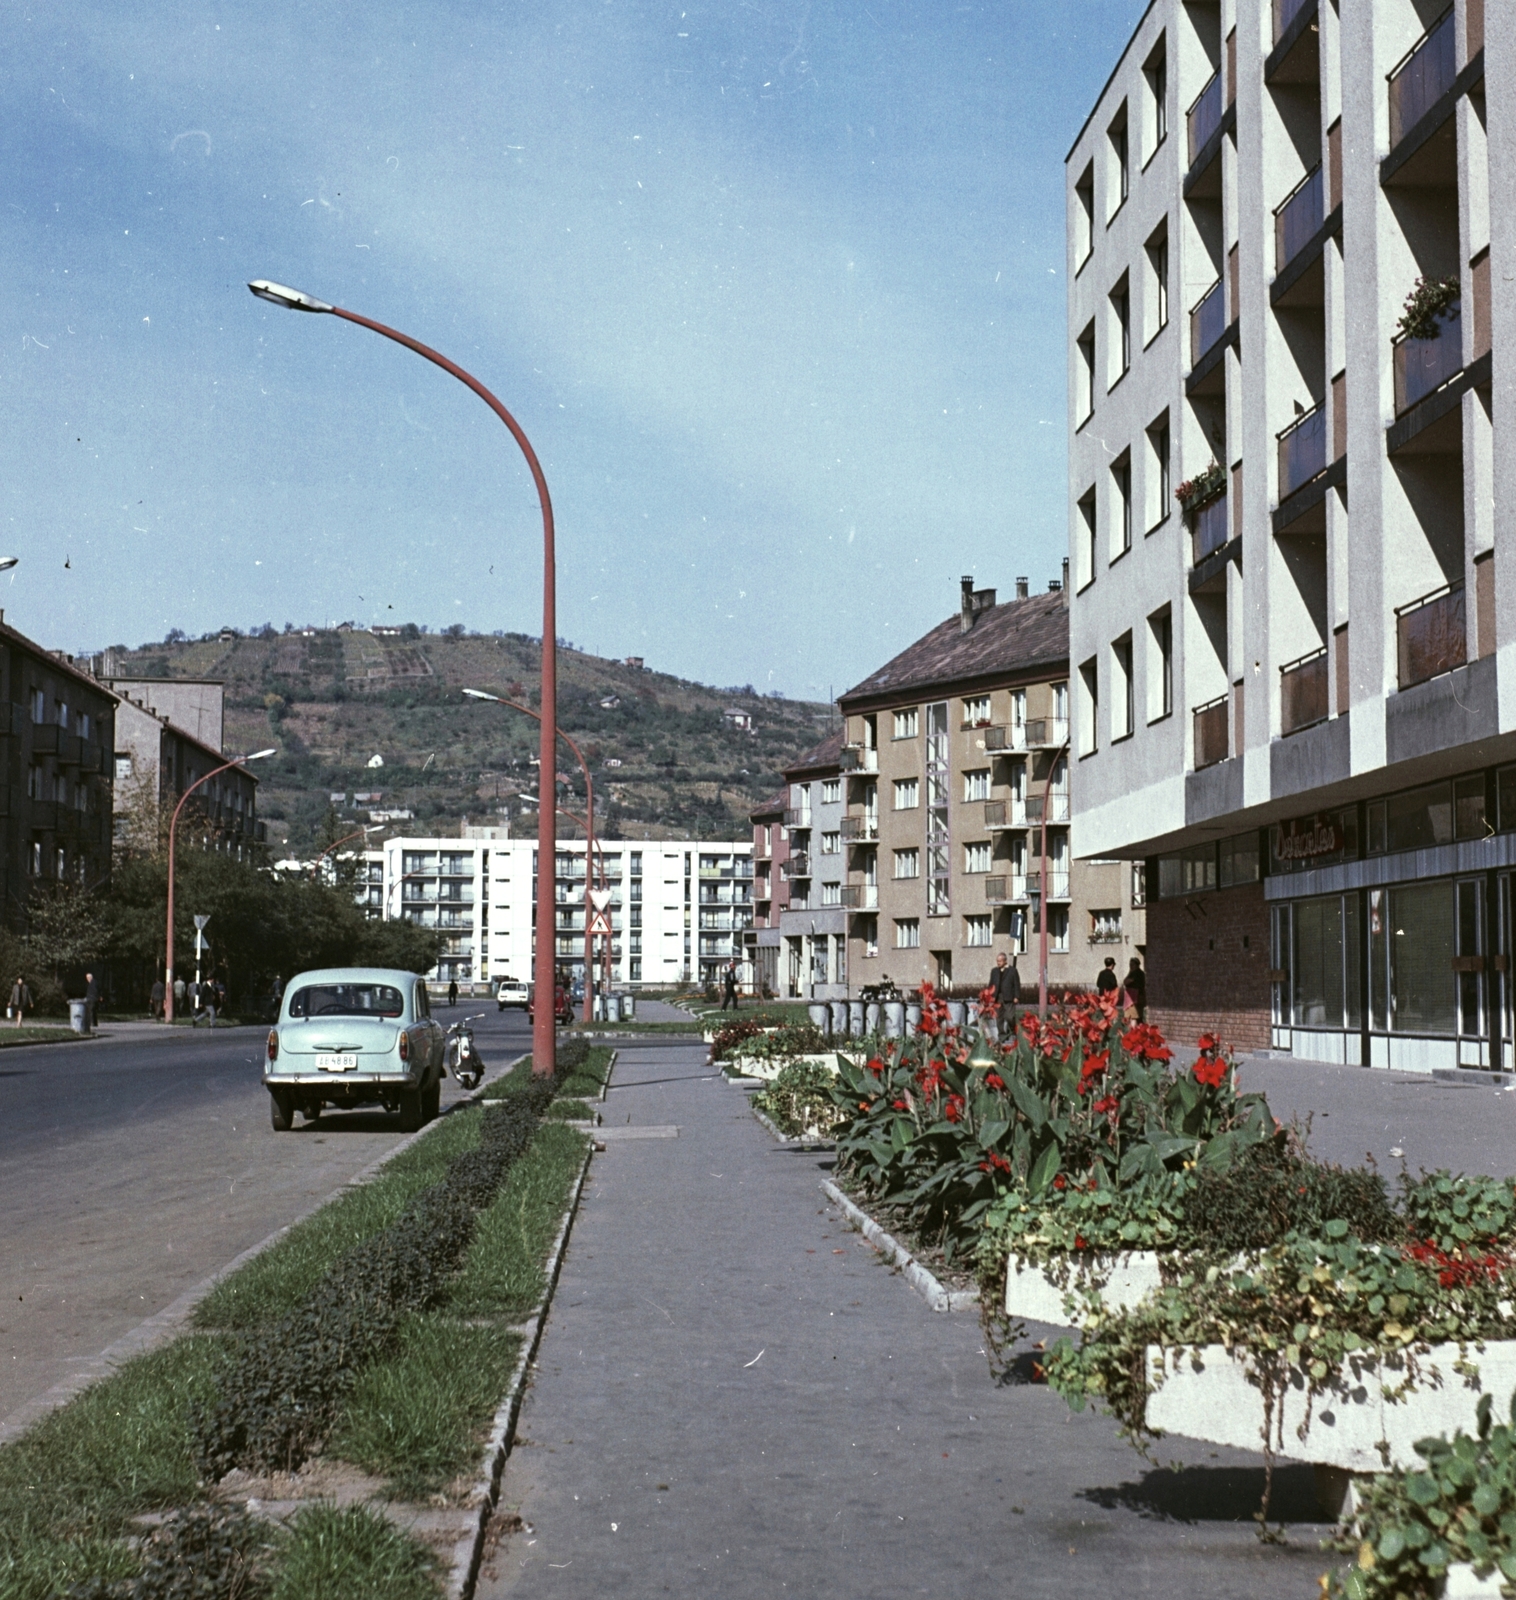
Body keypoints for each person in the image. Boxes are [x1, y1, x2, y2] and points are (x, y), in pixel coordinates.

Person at [986, 952, 1020, 1040]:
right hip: (997, 997)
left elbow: (1016, 984)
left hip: (1009, 997)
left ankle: (1012, 1030)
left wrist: (1016, 996)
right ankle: (1002, 1035)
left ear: (1005, 961)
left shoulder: (1012, 970)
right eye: (997, 961)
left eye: (1000, 961)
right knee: (999, 1018)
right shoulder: (994, 971)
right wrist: (989, 995)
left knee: (1010, 1017)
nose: (998, 963)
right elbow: (991, 984)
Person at [1122, 957, 1147, 1022]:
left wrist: (1129, 972)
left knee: (1133, 1017)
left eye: (1132, 965)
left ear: (1137, 965)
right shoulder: (1141, 973)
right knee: (1138, 1017)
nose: (1131, 966)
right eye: (1130, 965)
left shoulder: (1135, 973)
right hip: (1139, 996)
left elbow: (1125, 982)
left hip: (1133, 999)